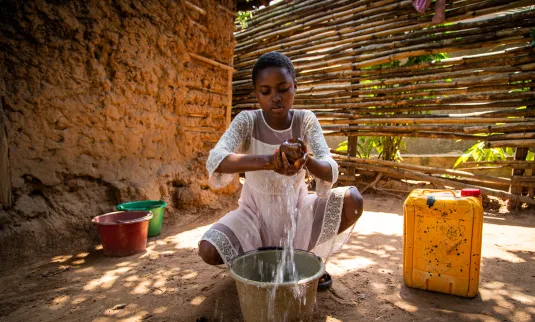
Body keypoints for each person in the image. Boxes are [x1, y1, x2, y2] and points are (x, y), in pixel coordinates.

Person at [198, 52, 363, 288]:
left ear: (295, 86)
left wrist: (306, 160)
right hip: (253, 215)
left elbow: (330, 168)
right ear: (257, 94)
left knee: (353, 201)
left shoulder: (305, 120)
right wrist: (271, 160)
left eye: (283, 88)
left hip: (298, 212)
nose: (275, 97)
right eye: (265, 92)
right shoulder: (247, 121)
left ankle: (305, 256)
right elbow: (217, 159)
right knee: (209, 249)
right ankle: (259, 262)